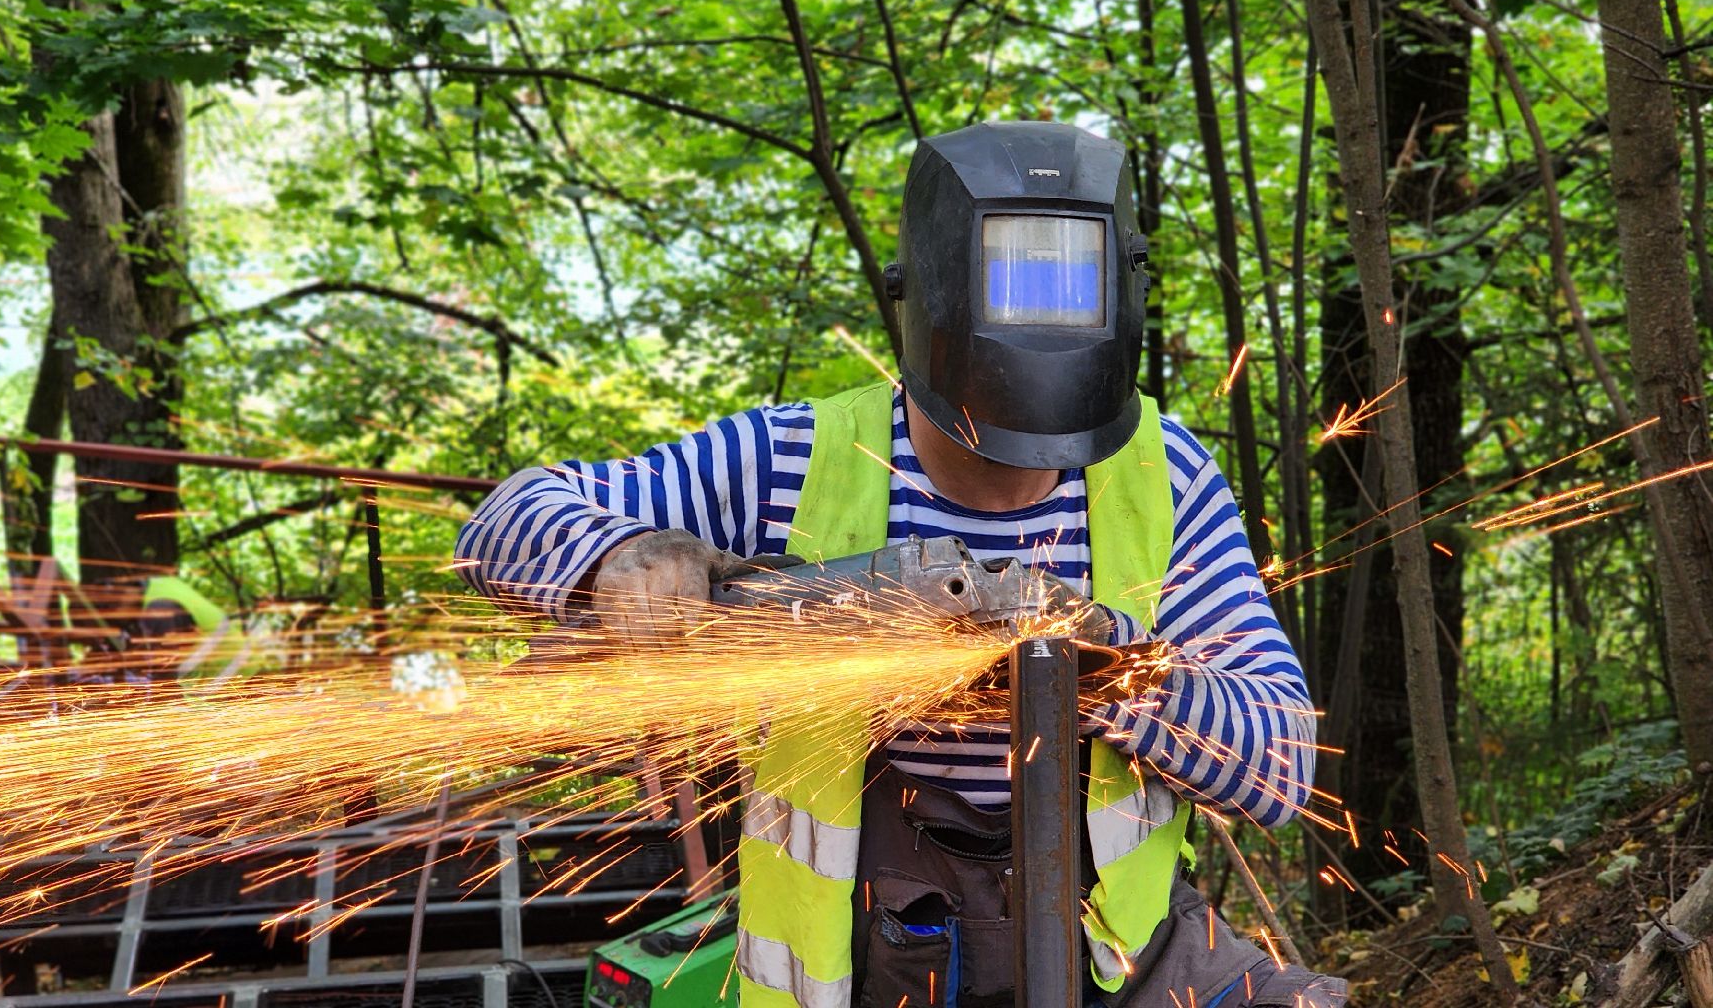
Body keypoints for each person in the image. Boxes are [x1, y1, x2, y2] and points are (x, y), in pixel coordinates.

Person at [456, 121, 1344, 1007]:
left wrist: (1107, 667)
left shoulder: (1164, 473)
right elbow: (501, 520)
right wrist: (620, 553)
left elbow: (1281, 761)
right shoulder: (793, 458)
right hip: (855, 968)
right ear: (924, 304)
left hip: (1121, 960)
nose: (1028, 476)